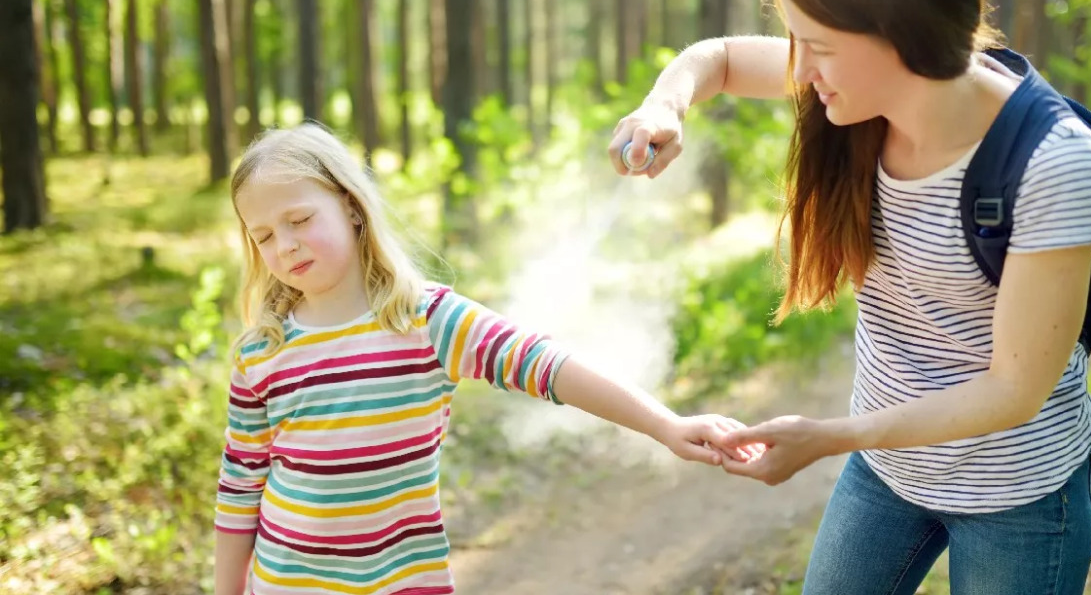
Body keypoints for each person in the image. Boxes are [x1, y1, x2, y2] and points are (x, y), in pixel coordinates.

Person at [609, 0, 1091, 593]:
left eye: (816, 45)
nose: (801, 67)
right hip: (887, 472)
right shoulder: (855, 91)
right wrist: (665, 105)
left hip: (1016, 493)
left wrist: (831, 436)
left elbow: (1013, 392)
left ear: (901, 31)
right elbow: (721, 58)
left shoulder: (1054, 165)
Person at [213, 123, 749, 595]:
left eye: (299, 219)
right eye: (262, 235)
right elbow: (240, 488)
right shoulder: (263, 353)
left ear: (351, 205)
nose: (284, 245)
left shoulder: (426, 321)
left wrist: (665, 425)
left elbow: (547, 366)